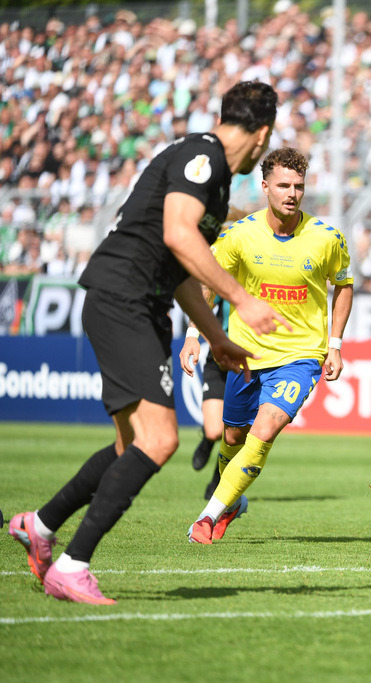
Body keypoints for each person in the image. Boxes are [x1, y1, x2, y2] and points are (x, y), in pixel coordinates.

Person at [7, 80, 285, 605]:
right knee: (158, 441)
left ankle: (39, 527)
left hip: (141, 303)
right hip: (123, 299)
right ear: (263, 132)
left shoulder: (212, 176)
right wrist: (241, 301)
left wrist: (217, 336)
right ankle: (72, 566)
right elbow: (181, 236)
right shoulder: (202, 156)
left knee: (127, 447)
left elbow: (181, 272)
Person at [181, 146, 353, 544]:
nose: (292, 193)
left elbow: (343, 286)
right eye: (283, 185)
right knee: (232, 439)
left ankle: (206, 517)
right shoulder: (238, 234)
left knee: (266, 428)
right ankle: (232, 501)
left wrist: (335, 343)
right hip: (246, 355)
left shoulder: (327, 238)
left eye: (299, 186)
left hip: (300, 356)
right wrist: (194, 333)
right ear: (264, 187)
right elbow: (208, 284)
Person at [189, 294, 230, 500]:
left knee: (235, 434)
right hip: (219, 361)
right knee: (215, 431)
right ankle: (207, 438)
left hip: (251, 365)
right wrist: (213, 342)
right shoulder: (226, 274)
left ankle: (216, 482)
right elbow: (201, 306)